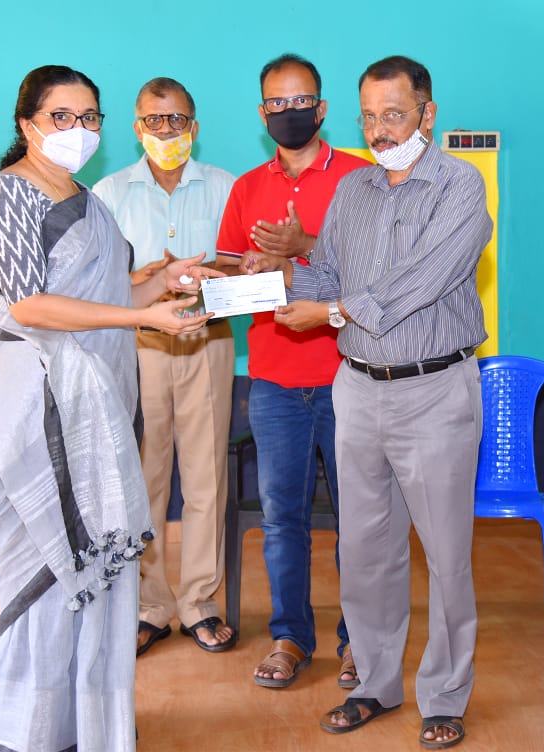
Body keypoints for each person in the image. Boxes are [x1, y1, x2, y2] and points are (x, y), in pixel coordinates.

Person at [0, 65, 219, 752]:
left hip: (96, 404)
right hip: (36, 405)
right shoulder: (6, 194)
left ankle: (85, 726)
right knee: (51, 572)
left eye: (89, 117)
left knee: (100, 573)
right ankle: (26, 734)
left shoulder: (88, 202)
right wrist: (144, 319)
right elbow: (30, 306)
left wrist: (162, 284)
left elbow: (108, 300)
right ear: (27, 123)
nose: (77, 130)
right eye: (61, 116)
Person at [248, 54, 491, 750]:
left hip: (434, 390)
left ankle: (443, 695)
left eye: (395, 114)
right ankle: (376, 684)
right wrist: (280, 276)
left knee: (445, 557)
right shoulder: (353, 189)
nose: (381, 130)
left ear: (427, 114)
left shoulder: (460, 186)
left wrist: (329, 311)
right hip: (356, 388)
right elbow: (327, 273)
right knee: (364, 551)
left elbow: (422, 280)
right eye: (370, 117)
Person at [213, 53, 369, 689]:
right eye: (277, 104)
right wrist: (236, 270)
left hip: (351, 376)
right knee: (282, 520)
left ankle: (360, 642)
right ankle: (290, 637)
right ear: (262, 113)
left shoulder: (361, 179)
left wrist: (304, 249)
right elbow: (229, 267)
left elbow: (379, 277)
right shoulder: (247, 187)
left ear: (322, 108)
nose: (290, 112)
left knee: (360, 519)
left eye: (301, 101)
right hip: (275, 380)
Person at [93, 77, 238, 655]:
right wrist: (148, 276)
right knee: (144, 480)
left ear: (193, 127)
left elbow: (244, 267)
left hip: (208, 340)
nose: (166, 130)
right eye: (154, 120)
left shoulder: (226, 187)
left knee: (206, 478)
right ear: (137, 128)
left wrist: (211, 275)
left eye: (176, 119)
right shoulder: (108, 193)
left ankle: (200, 603)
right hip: (139, 347)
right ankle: (149, 606)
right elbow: (95, 282)